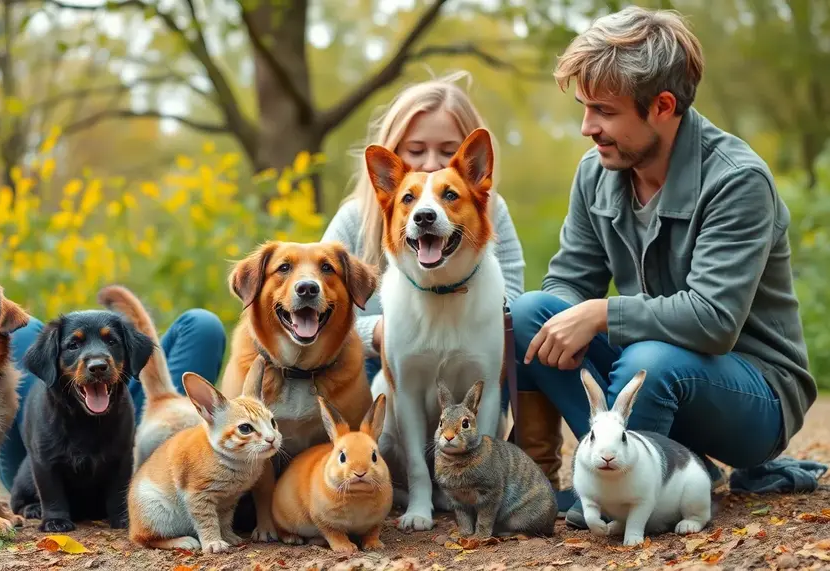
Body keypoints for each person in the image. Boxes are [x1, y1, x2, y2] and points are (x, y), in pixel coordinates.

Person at [511, 5, 819, 528]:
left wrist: (601, 314)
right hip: (648, 374)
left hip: (752, 395)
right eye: (585, 109)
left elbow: (713, 319)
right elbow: (568, 280)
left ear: (663, 106)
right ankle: (672, 465)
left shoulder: (737, 181)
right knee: (531, 313)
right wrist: (569, 314)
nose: (588, 128)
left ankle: (640, 498)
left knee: (646, 361)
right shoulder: (596, 173)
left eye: (603, 111)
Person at [320, 71, 565, 498]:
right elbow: (322, 317)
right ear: (393, 158)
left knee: (523, 333)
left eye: (448, 151)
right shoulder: (354, 218)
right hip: (379, 366)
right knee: (375, 382)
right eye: (415, 151)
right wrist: (377, 332)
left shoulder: (489, 212)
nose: (431, 164)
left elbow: (514, 306)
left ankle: (516, 474)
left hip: (468, 371)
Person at [0, 309, 226, 491]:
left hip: (127, 444)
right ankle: (46, 492)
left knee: (203, 324)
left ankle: (173, 459)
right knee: (21, 330)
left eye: (110, 341)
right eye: (75, 344)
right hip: (42, 469)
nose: (95, 353)